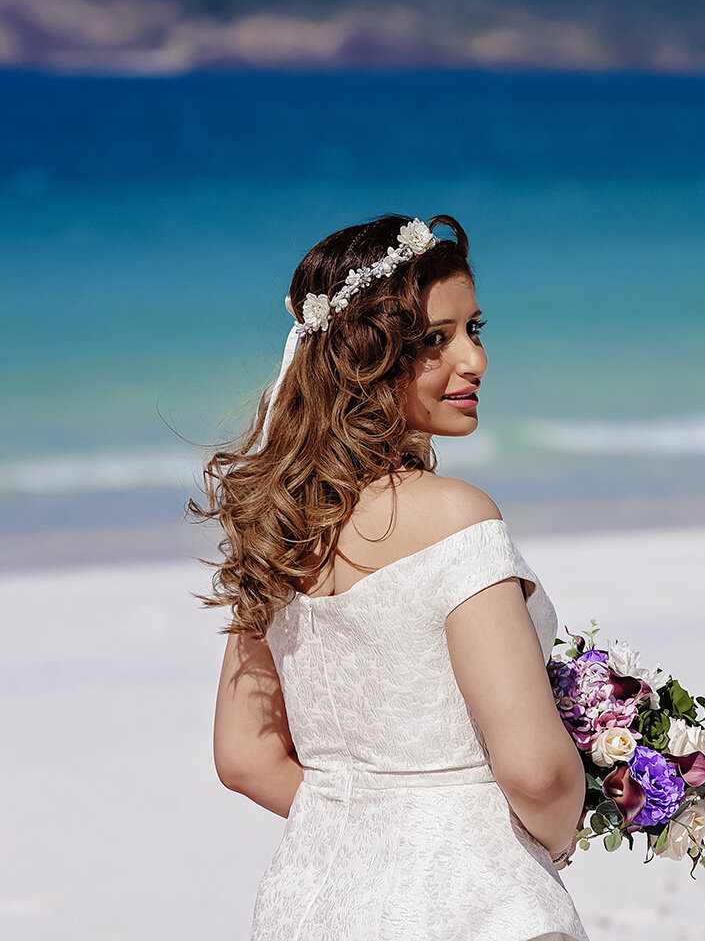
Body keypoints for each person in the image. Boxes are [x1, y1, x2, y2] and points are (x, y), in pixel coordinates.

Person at [191, 213, 589, 941]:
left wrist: (373, 831)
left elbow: (245, 756)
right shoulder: (457, 520)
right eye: (436, 340)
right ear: (367, 355)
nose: (474, 361)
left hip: (309, 905)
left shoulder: (278, 527)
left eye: (475, 329)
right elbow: (536, 772)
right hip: (474, 906)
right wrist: (554, 839)